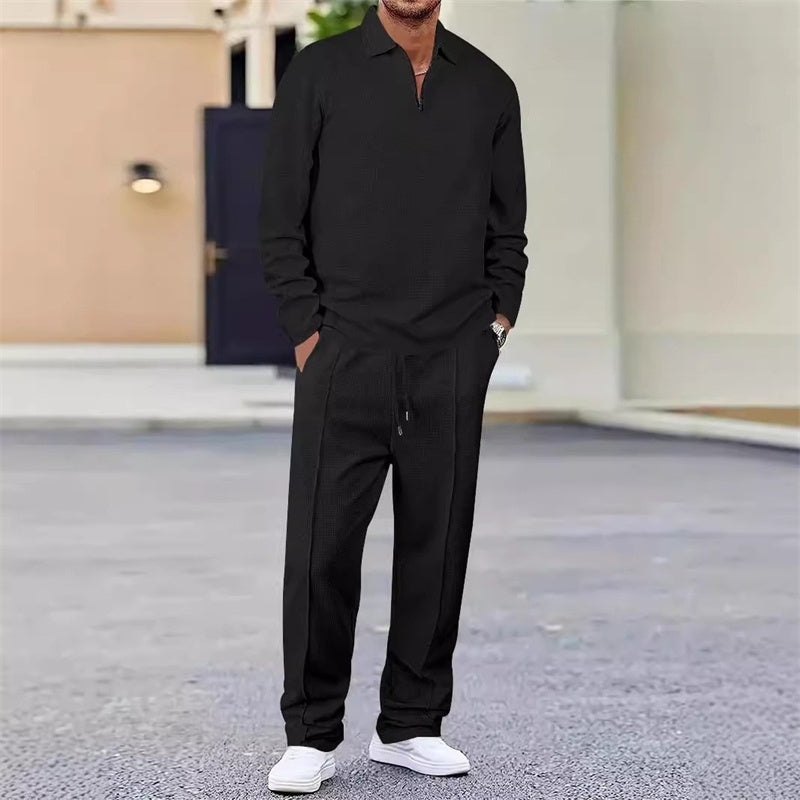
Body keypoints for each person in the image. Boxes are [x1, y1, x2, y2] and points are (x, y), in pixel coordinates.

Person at [259, 0, 527, 793]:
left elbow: (507, 226)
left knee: (436, 548)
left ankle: (410, 724)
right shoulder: (319, 74)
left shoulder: (488, 85)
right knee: (321, 552)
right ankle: (311, 734)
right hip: (345, 349)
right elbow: (279, 216)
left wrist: (495, 326)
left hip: (453, 352)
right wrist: (307, 332)